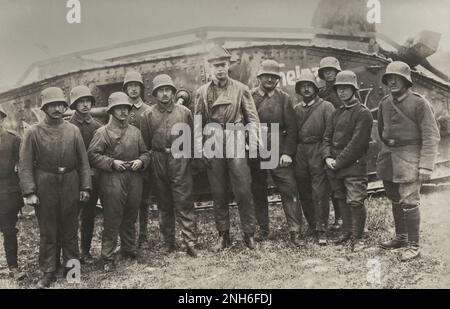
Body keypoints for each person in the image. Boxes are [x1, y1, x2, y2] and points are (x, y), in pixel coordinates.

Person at [19, 87, 91, 288]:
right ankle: (48, 271)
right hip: (45, 184)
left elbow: (83, 162)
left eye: (60, 104)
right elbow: (25, 164)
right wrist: (30, 191)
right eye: (52, 105)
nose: (58, 108)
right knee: (48, 231)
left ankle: (72, 270)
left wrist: (85, 187)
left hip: (70, 181)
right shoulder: (33, 132)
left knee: (70, 229)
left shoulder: (73, 130)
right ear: (45, 108)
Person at [194, 46, 260, 251]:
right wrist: (199, 148)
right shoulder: (202, 92)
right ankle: (223, 235)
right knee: (218, 191)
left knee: (242, 189)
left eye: (222, 65)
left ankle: (249, 234)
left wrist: (253, 143)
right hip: (213, 139)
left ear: (228, 65)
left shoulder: (241, 89)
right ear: (210, 67)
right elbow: (197, 123)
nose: (219, 69)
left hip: (236, 137)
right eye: (215, 66)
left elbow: (253, 119)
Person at [377, 61, 440, 261]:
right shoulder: (385, 103)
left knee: (409, 201)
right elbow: (381, 132)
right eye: (389, 79)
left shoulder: (419, 103)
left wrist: (425, 165)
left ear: (406, 81)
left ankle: (414, 245)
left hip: (410, 158)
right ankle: (401, 238)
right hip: (389, 157)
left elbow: (431, 136)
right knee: (395, 198)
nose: (392, 82)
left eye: (397, 78)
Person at [88, 92, 150, 271]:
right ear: (111, 110)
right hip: (112, 179)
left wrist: (142, 161)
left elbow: (146, 152)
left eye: (126, 108)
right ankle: (107, 257)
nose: (123, 112)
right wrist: (111, 163)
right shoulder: (102, 132)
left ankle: (128, 250)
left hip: (134, 177)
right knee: (112, 217)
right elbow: (92, 155)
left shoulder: (135, 132)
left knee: (131, 215)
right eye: (119, 108)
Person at [141, 74, 197, 257]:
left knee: (184, 201)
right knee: (164, 203)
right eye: (160, 91)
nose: (164, 94)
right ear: (155, 94)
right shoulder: (148, 115)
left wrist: (189, 162)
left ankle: (190, 242)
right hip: (158, 160)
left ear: (173, 92)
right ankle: (168, 242)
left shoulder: (184, 112)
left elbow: (191, 139)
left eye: (168, 90)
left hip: (179, 158)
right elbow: (146, 143)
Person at [249, 59, 303, 245]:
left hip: (278, 149)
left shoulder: (284, 98)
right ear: (259, 77)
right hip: (256, 148)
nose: (270, 79)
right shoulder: (250, 97)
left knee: (288, 189)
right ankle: (263, 230)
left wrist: (287, 152)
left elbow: (292, 129)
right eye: (266, 76)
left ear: (277, 79)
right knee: (258, 190)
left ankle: (295, 231)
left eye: (274, 76)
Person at [322, 71, 373, 252]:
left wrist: (338, 161)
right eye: (339, 89)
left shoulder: (363, 113)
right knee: (340, 198)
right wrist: (327, 157)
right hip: (334, 165)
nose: (342, 92)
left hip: (353, 165)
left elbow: (357, 144)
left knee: (355, 201)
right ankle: (346, 232)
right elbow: (326, 138)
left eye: (346, 88)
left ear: (353, 89)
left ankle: (358, 238)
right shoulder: (336, 114)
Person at [293, 72, 335, 245]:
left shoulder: (326, 107)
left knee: (320, 191)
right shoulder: (296, 109)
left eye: (309, 85)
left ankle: (321, 229)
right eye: (303, 86)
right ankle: (311, 224)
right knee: (303, 189)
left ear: (316, 88)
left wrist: (326, 153)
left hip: (318, 148)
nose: (306, 88)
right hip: (300, 151)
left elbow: (330, 132)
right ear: (299, 89)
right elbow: (292, 133)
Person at [68, 85, 102, 264]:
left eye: (87, 101)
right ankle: (69, 253)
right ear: (74, 105)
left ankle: (85, 251)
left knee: (88, 216)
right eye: (80, 102)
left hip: (91, 178)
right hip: (71, 178)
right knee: (69, 216)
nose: (85, 105)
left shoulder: (97, 126)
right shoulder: (67, 126)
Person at [123, 70, 152, 247]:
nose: (133, 90)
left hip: (143, 161)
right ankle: (128, 237)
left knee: (143, 200)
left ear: (141, 88)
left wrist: (145, 159)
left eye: (136, 86)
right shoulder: (120, 109)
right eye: (130, 86)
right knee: (126, 200)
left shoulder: (148, 110)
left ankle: (143, 235)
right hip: (124, 162)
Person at [317, 56, 344, 230]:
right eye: (326, 71)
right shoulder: (320, 93)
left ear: (337, 72)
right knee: (330, 183)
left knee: (341, 183)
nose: (329, 74)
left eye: (332, 71)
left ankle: (343, 218)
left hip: (340, 141)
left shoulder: (345, 90)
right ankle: (337, 218)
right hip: (325, 140)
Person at [0, 106, 25, 280]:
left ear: (2, 119)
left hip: (7, 193)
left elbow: (24, 165)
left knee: (9, 231)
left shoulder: (13, 140)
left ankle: (13, 267)